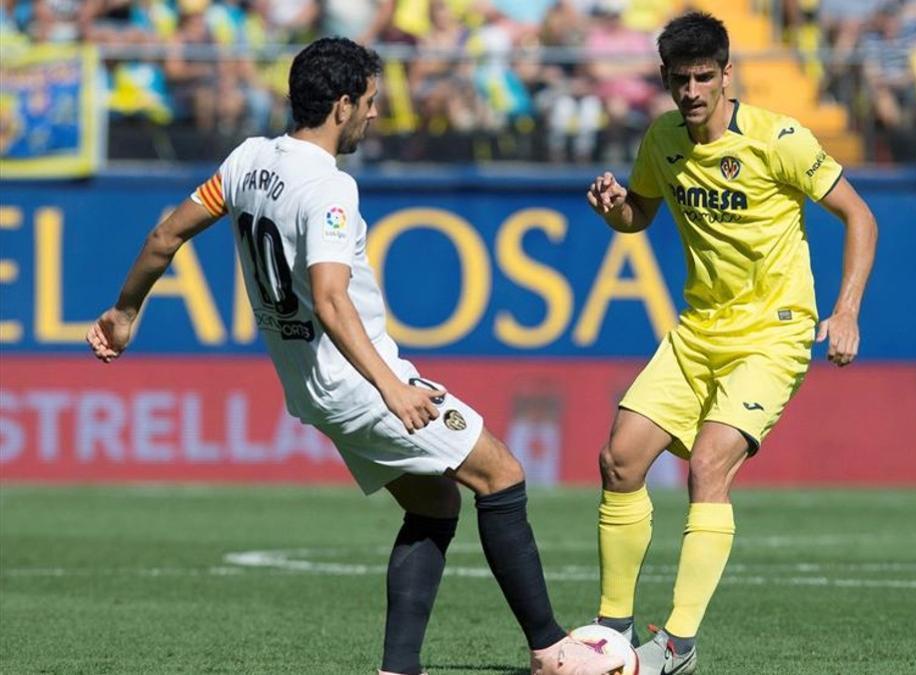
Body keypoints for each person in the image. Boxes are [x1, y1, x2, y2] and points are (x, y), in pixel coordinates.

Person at [86, 37, 619, 675]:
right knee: (500, 475)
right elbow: (333, 300)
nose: (374, 114)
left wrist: (124, 312)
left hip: (309, 384)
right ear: (341, 105)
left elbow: (164, 234)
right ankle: (552, 649)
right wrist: (392, 388)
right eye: (369, 102)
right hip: (358, 379)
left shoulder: (247, 160)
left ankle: (399, 667)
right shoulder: (330, 189)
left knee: (434, 504)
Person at [585, 12, 878, 674]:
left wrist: (847, 309)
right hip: (698, 330)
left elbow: (859, 214)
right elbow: (641, 211)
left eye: (703, 78)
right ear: (664, 79)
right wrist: (615, 211)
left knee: (709, 465)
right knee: (619, 459)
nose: (691, 92)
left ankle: (678, 644)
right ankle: (610, 631)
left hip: (770, 334)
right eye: (679, 80)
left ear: (727, 75)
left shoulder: (781, 140)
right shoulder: (662, 139)